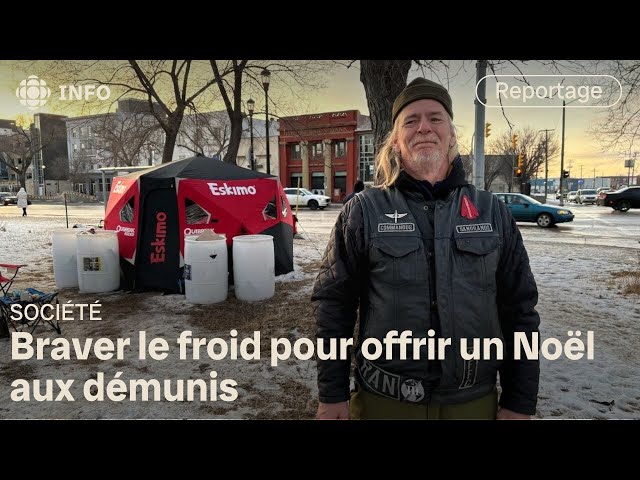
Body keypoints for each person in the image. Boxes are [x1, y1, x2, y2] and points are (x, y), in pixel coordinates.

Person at [312, 77, 540, 420]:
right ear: (396, 139)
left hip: (472, 403)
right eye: (411, 120)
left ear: (451, 133)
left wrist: (519, 401)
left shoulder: (492, 211)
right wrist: (332, 395)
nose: (424, 128)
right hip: (384, 402)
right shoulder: (363, 211)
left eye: (435, 118)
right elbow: (335, 308)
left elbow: (519, 310)